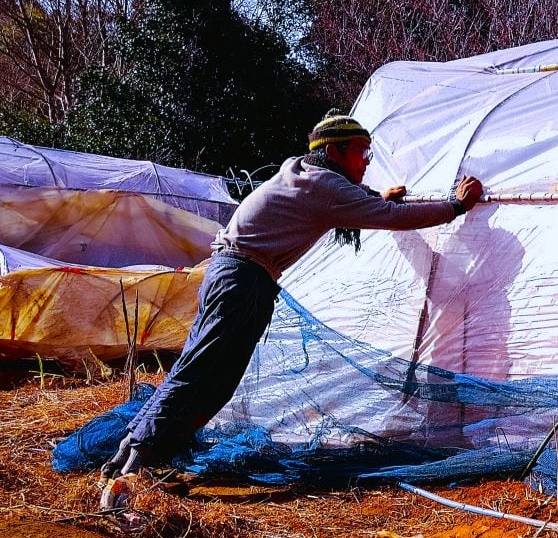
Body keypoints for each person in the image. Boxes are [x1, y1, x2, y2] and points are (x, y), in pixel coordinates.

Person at [99, 109, 483, 497]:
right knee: (202, 374)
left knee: (212, 378)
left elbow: (349, 203)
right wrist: (456, 206)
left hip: (236, 277)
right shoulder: (323, 187)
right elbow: (381, 216)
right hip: (241, 281)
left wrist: (377, 198)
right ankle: (134, 459)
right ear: (335, 152)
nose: (366, 163)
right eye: (362, 153)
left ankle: (143, 454)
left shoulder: (304, 173)